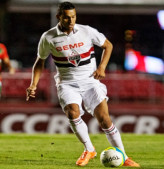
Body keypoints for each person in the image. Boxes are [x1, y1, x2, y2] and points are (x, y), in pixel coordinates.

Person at [26, 2, 140, 167]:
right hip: (67, 83)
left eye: (73, 16)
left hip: (90, 81)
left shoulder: (87, 31)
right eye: (67, 17)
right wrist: (33, 85)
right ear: (59, 17)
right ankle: (89, 149)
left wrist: (101, 67)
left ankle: (123, 156)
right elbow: (39, 62)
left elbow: (108, 45)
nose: (71, 20)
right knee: (73, 113)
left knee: (105, 120)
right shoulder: (48, 37)